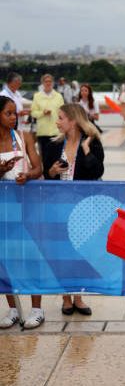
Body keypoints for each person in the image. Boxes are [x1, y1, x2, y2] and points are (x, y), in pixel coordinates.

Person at [43, 104, 104, 315]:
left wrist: (86, 149)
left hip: (83, 209)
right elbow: (46, 176)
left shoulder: (92, 143)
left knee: (80, 253)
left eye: (61, 118)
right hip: (58, 208)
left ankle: (78, 296)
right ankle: (66, 298)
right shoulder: (52, 146)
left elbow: (97, 171)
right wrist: (52, 172)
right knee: (61, 254)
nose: (57, 122)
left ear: (74, 120)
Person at [0, 96, 44, 329]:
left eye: (14, 113)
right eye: (8, 113)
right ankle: (14, 308)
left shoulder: (23, 137)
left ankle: (37, 309)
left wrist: (27, 175)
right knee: (6, 257)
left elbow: (38, 167)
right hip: (4, 210)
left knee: (31, 256)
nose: (13, 117)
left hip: (26, 206)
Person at [30, 74, 64, 156]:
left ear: (53, 83)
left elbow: (63, 113)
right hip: (42, 132)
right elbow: (33, 113)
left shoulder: (59, 96)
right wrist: (43, 113)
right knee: (44, 158)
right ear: (42, 83)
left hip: (56, 132)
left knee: (57, 157)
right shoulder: (37, 96)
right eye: (46, 81)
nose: (48, 83)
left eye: (50, 81)